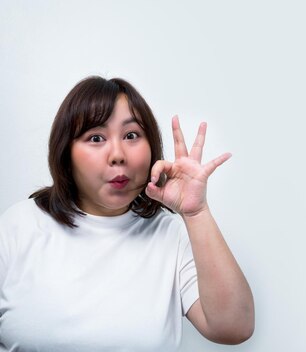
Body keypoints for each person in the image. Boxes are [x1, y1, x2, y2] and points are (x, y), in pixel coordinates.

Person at [0, 76, 255, 351]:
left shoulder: (171, 235)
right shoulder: (18, 226)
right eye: (96, 138)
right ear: (66, 153)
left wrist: (196, 213)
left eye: (131, 135)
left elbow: (234, 327)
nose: (118, 155)